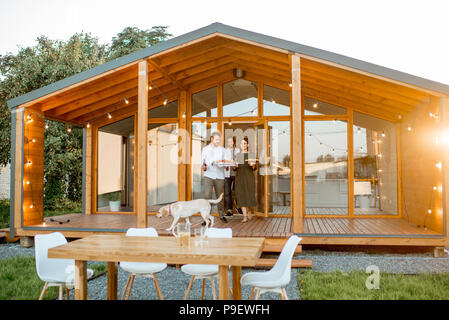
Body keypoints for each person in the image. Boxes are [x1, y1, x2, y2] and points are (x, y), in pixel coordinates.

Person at [201, 131, 227, 223]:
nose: (218, 141)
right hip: (208, 175)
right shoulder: (205, 149)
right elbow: (202, 163)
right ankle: (206, 218)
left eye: (219, 140)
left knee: (219, 196)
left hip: (219, 176)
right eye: (216, 140)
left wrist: (225, 164)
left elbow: (225, 163)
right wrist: (203, 166)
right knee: (207, 196)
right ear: (212, 139)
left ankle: (221, 215)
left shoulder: (223, 150)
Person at [233, 137, 257, 223]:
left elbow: (254, 168)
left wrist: (253, 165)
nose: (243, 145)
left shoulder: (251, 154)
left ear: (247, 145)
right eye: (241, 143)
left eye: (244, 143)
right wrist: (234, 166)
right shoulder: (238, 155)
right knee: (241, 195)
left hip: (248, 177)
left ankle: (248, 209)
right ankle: (245, 217)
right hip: (239, 177)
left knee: (248, 194)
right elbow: (234, 169)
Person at [224, 136, 239, 216]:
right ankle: (229, 210)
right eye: (228, 141)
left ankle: (238, 206)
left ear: (233, 142)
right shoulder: (225, 151)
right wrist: (225, 165)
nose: (229, 143)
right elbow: (223, 161)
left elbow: (239, 161)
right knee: (227, 193)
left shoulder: (238, 150)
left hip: (236, 174)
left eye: (231, 141)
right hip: (227, 174)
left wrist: (235, 164)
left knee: (236, 192)